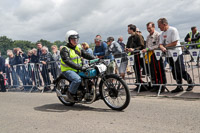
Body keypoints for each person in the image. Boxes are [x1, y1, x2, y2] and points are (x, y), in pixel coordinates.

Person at [158, 18, 194, 93]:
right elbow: (160, 43)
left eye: (159, 25)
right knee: (174, 71)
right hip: (168, 55)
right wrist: (161, 46)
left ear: (164, 24)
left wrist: (165, 46)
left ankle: (190, 82)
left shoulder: (173, 30)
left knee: (180, 69)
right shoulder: (161, 34)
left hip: (176, 53)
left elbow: (175, 43)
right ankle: (179, 86)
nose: (159, 27)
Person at [60, 30, 96, 102]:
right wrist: (80, 67)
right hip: (68, 70)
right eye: (73, 39)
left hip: (78, 69)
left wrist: (95, 59)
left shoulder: (78, 47)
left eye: (76, 39)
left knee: (90, 76)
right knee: (77, 80)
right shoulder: (65, 49)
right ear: (68, 40)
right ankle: (70, 94)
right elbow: (68, 61)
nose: (75, 41)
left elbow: (85, 54)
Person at [142, 22, 166, 93]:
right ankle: (155, 85)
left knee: (160, 71)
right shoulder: (148, 37)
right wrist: (146, 49)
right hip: (150, 56)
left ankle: (162, 86)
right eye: (147, 28)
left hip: (157, 55)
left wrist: (148, 49)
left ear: (153, 27)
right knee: (153, 71)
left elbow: (159, 45)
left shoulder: (158, 35)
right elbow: (147, 46)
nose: (148, 30)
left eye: (150, 28)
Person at [126, 24, 145, 91]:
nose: (127, 30)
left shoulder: (139, 36)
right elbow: (128, 46)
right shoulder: (129, 38)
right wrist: (127, 49)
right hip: (133, 57)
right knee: (136, 70)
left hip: (139, 56)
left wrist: (134, 49)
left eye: (128, 29)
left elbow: (142, 46)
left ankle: (145, 84)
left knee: (144, 70)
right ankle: (138, 83)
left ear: (131, 30)